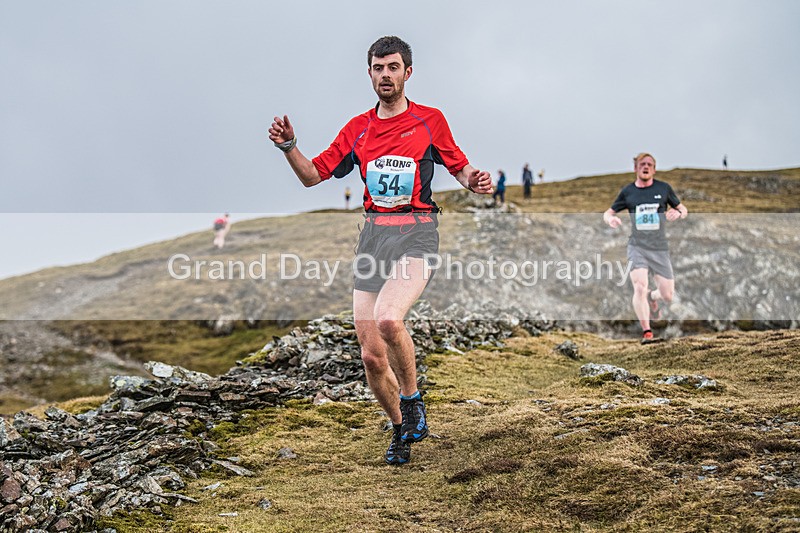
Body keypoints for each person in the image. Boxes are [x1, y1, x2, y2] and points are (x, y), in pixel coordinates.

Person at [268, 36, 492, 465]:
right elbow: (313, 175)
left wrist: (475, 182)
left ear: (408, 73)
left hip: (417, 234)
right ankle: (400, 429)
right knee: (371, 355)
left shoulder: (430, 120)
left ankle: (412, 400)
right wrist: (288, 147)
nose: (385, 75)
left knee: (389, 318)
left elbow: (460, 168)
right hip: (373, 239)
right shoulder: (357, 129)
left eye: (393, 67)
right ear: (369, 73)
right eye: (378, 68)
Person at [603, 153, 688, 344]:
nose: (646, 167)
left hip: (659, 248)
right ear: (636, 168)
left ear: (654, 169)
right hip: (637, 247)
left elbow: (683, 209)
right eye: (642, 164)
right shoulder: (628, 192)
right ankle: (647, 332)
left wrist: (678, 213)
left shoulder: (663, 188)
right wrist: (611, 219)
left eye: (650, 164)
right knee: (640, 287)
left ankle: (652, 297)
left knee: (667, 295)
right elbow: (608, 213)